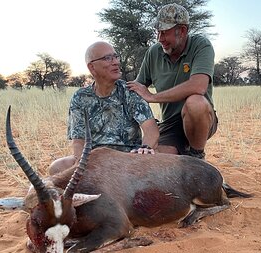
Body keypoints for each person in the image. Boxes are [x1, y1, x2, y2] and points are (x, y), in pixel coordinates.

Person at [49, 41, 159, 175]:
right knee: (57, 167)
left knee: (159, 161)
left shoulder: (130, 91)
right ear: (92, 67)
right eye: (108, 58)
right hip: (94, 161)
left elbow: (151, 130)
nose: (116, 62)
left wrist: (144, 149)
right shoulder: (80, 97)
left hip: (129, 158)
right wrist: (81, 163)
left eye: (116, 56)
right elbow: (78, 141)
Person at [127, 3, 218, 159]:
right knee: (152, 159)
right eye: (158, 32)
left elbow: (199, 86)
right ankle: (182, 153)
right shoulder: (154, 52)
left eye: (164, 33)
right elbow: (138, 88)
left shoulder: (201, 45)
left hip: (200, 119)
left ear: (182, 31)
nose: (159, 39)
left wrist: (153, 97)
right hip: (170, 125)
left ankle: (197, 156)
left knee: (195, 102)